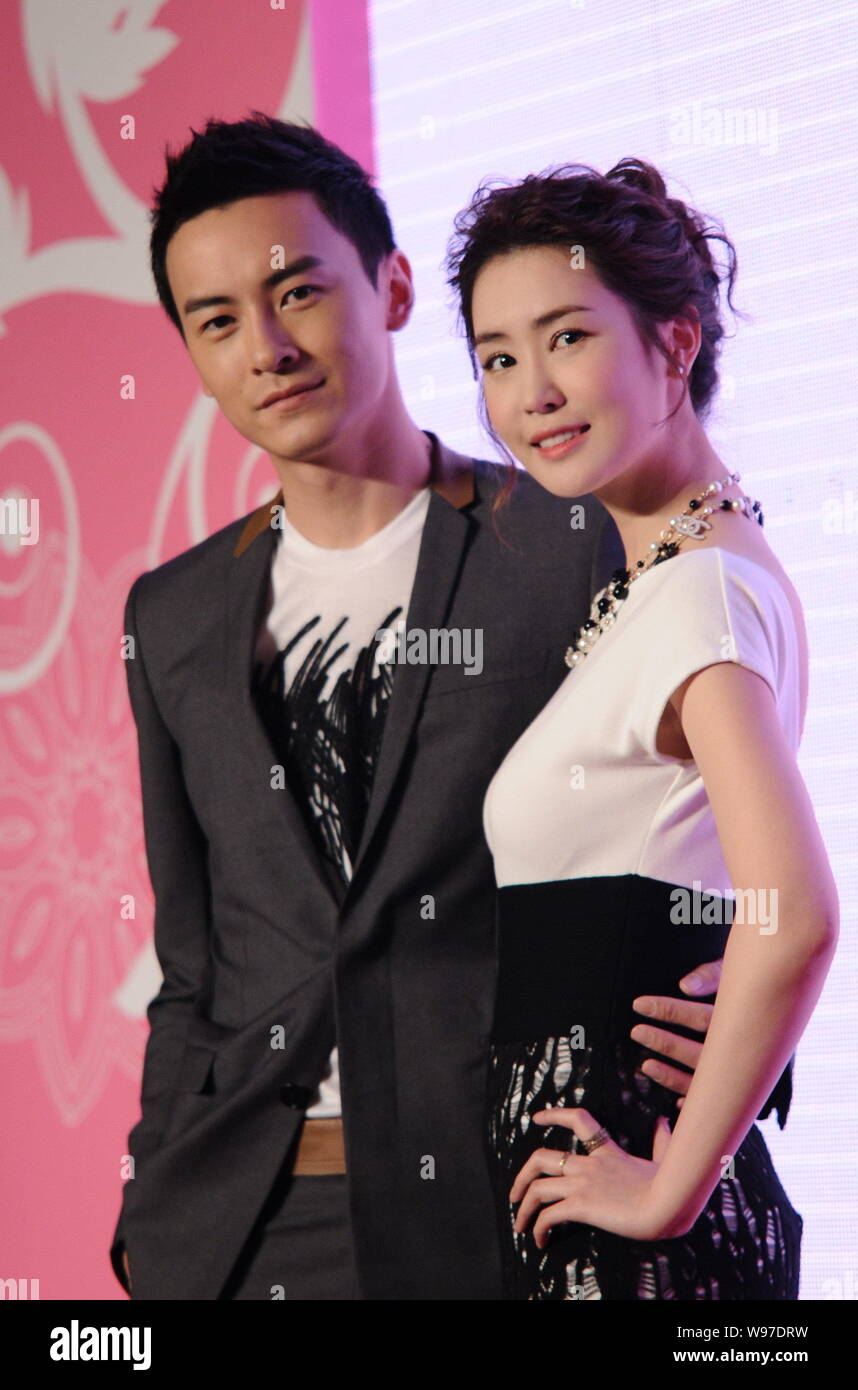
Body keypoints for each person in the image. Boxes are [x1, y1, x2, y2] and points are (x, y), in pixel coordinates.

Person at [110, 116, 793, 1300]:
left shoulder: (583, 533)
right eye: (216, 321)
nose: (265, 346)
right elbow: (193, 962)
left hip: (490, 1200)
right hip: (232, 1227)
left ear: (391, 287)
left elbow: (721, 838)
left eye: (296, 292)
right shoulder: (169, 615)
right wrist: (148, 1198)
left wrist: (731, 1023)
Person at [443, 157, 839, 1300]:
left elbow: (795, 910)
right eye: (499, 359)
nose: (532, 392)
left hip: (643, 1236)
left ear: (674, 343)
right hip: (607, 1212)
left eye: (567, 336)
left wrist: (665, 1191)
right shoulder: (670, 584)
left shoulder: (697, 594)